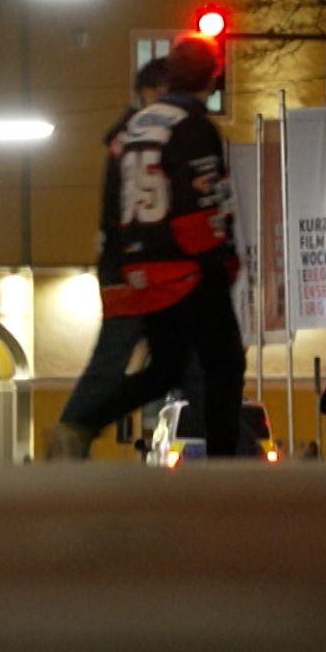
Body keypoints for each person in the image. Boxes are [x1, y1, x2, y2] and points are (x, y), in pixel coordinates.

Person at [51, 36, 248, 456]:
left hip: (141, 265)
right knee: (224, 365)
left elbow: (117, 201)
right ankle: (226, 468)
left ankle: (84, 423)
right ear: (213, 78)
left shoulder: (135, 127)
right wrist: (221, 258)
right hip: (187, 263)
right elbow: (203, 195)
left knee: (168, 368)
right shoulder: (193, 125)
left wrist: (129, 257)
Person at [48, 57, 170, 459]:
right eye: (167, 93)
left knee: (178, 362)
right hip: (134, 270)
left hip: (131, 267)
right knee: (123, 359)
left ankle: (74, 429)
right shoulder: (137, 139)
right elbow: (134, 207)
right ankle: (75, 428)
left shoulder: (130, 136)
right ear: (151, 92)